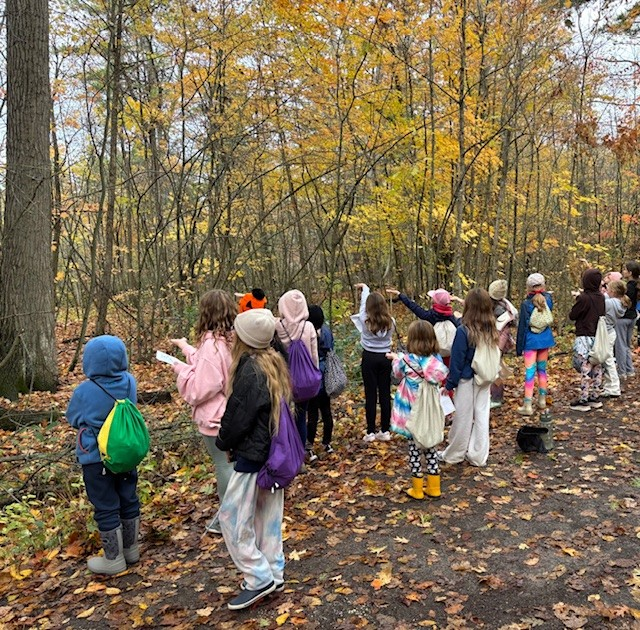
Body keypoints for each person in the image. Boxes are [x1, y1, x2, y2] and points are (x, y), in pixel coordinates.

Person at [216, 309, 290, 610]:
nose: (232, 336)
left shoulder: (249, 370)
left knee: (232, 518)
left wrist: (223, 442)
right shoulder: (274, 361)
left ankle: (258, 577)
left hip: (252, 456)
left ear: (245, 340)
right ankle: (273, 570)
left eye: (236, 332)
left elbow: (237, 418)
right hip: (272, 455)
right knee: (267, 519)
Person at [66, 335, 141, 575]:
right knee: (128, 497)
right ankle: (131, 549)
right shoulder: (130, 381)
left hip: (96, 458)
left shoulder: (84, 391)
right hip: (125, 453)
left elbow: (73, 418)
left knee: (106, 504)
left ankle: (113, 559)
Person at [170, 289, 236, 534]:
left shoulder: (213, 344)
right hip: (234, 410)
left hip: (217, 416)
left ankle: (226, 520)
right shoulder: (233, 338)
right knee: (233, 465)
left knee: (225, 466)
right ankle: (233, 516)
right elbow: (208, 363)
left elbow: (202, 387)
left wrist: (181, 370)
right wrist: (186, 348)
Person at [388, 321, 448, 499]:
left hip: (411, 413)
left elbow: (397, 374)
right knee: (430, 447)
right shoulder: (434, 362)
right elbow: (441, 375)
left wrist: (396, 358)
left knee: (414, 450)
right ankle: (434, 487)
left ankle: (417, 488)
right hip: (428, 412)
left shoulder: (406, 360)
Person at [439, 288, 499, 467]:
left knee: (463, 418)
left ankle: (454, 454)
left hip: (468, 379)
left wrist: (449, 385)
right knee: (482, 416)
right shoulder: (491, 329)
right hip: (485, 377)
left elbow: (456, 363)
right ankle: (478, 455)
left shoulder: (464, 331)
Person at [274, 289, 319, 456]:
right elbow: (314, 355)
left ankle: (286, 453)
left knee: (283, 417)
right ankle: (301, 453)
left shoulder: (277, 326)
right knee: (301, 416)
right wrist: (314, 374)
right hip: (304, 380)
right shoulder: (308, 327)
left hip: (283, 378)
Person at [353, 283, 394, 442]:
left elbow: (363, 306)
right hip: (386, 358)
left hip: (369, 358)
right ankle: (385, 430)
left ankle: (370, 431)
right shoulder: (391, 322)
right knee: (384, 393)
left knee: (370, 395)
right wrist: (366, 290)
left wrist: (365, 289)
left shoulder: (365, 320)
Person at [386, 288, 461, 365]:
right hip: (451, 357)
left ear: (435, 301)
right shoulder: (452, 317)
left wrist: (400, 295)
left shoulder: (430, 316)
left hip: (435, 357)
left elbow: (414, 307)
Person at [515, 273, 555, 416]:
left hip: (530, 342)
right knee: (542, 371)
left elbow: (522, 327)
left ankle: (527, 405)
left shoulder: (526, 304)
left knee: (530, 373)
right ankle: (542, 399)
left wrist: (519, 347)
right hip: (545, 340)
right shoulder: (548, 300)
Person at [568, 268, 605, 411]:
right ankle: (595, 396)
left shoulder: (583, 298)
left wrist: (577, 299)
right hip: (597, 336)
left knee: (584, 367)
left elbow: (573, 315)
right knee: (597, 365)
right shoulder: (601, 297)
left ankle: (583, 399)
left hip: (583, 335)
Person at [306, 305, 335, 458]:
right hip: (326, 374)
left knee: (312, 413)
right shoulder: (327, 330)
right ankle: (327, 442)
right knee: (326, 411)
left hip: (313, 376)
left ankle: (309, 444)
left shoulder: (307, 332)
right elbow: (331, 348)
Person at [488, 279, 518, 408]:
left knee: (496, 370)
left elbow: (503, 332)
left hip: (498, 344)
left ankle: (496, 398)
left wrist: (498, 350)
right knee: (495, 369)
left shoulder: (500, 310)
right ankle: (494, 396)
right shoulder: (506, 305)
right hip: (496, 342)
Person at [604, 279, 628, 397]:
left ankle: (614, 388)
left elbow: (601, 302)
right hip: (610, 332)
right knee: (608, 359)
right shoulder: (618, 302)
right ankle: (609, 386)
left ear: (612, 291)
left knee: (608, 360)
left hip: (606, 333)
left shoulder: (610, 302)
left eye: (608, 288)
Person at [622, 261, 639, 362]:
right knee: (627, 344)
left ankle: (623, 370)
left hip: (625, 317)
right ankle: (629, 370)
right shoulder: (636, 285)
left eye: (625, 270)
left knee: (621, 345)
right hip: (632, 317)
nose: (623, 272)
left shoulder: (630, 287)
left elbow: (625, 302)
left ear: (630, 273)